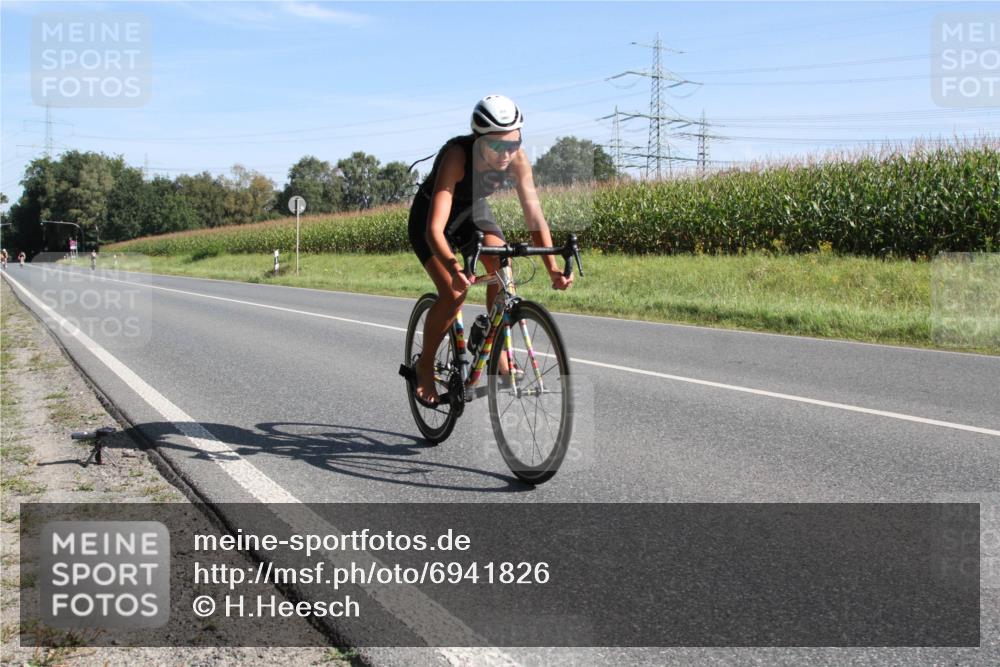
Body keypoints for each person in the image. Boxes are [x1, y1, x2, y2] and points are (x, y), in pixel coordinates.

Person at [407, 94, 573, 406]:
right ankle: (425, 366)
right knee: (453, 293)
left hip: (471, 211)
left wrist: (552, 267)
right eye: (497, 146)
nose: (506, 153)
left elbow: (534, 215)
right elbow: (434, 229)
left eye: (513, 143)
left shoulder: (518, 158)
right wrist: (454, 269)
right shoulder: (458, 156)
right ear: (478, 140)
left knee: (501, 264)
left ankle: (493, 349)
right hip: (432, 218)